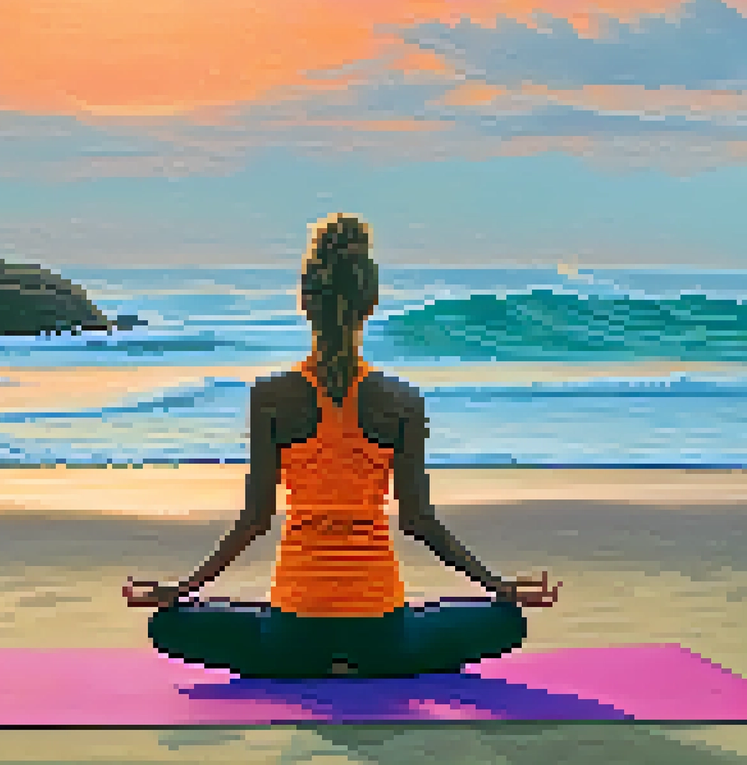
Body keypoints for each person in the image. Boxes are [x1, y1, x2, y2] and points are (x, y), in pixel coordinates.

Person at [123, 213, 560, 678]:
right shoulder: (402, 402)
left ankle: (315, 652)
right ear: (370, 303)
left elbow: (255, 521)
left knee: (167, 626)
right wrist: (497, 586)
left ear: (305, 302)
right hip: (383, 640)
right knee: (504, 622)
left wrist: (184, 589)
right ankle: (364, 650)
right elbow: (418, 521)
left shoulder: (270, 398)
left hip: (292, 639)